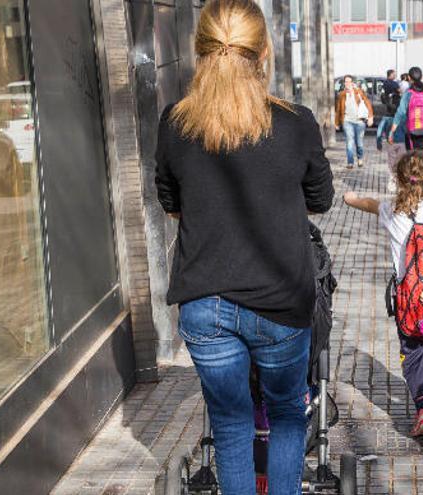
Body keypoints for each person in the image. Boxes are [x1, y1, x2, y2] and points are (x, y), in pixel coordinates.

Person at [154, 1, 334, 494]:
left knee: (230, 425)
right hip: (279, 302)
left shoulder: (175, 123)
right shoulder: (295, 122)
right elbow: (321, 198)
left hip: (204, 304)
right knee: (286, 415)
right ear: (264, 53)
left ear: (199, 53)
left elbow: (170, 203)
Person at [342, 151, 423, 437]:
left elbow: (369, 204)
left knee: (412, 352)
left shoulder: (393, 210)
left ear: (399, 179)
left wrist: (349, 198)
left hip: (409, 300)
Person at [390, 66, 423, 152]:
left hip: (412, 134)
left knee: (412, 160)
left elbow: (400, 113)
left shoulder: (408, 94)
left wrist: (392, 131)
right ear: (422, 76)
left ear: (409, 77)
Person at [335, 74, 374, 169]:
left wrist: (370, 117)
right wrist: (336, 123)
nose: (347, 83)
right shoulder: (341, 95)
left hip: (359, 122)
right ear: (344, 83)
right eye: (346, 82)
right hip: (347, 121)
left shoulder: (359, 92)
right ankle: (350, 162)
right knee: (349, 142)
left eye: (349, 81)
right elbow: (338, 110)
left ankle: (360, 158)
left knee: (359, 143)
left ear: (352, 83)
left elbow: (367, 104)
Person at [377, 69, 402, 151]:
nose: (395, 75)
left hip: (386, 107)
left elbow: (382, 94)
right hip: (393, 108)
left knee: (382, 126)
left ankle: (379, 141)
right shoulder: (394, 84)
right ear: (390, 74)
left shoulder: (384, 83)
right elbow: (400, 91)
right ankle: (390, 141)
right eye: (394, 74)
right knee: (390, 127)